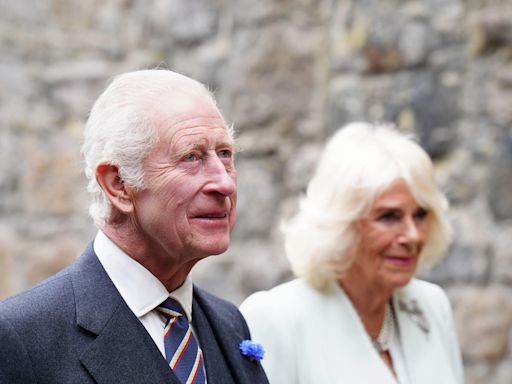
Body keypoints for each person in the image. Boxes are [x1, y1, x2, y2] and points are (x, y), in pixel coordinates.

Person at [0, 70, 269, 384]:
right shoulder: (24, 338)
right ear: (118, 185)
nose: (224, 183)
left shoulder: (229, 324)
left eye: (225, 154)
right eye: (191, 157)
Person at [240, 122, 464, 384]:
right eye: (389, 217)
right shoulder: (277, 317)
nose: (413, 235)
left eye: (420, 215)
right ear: (342, 224)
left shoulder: (430, 305)